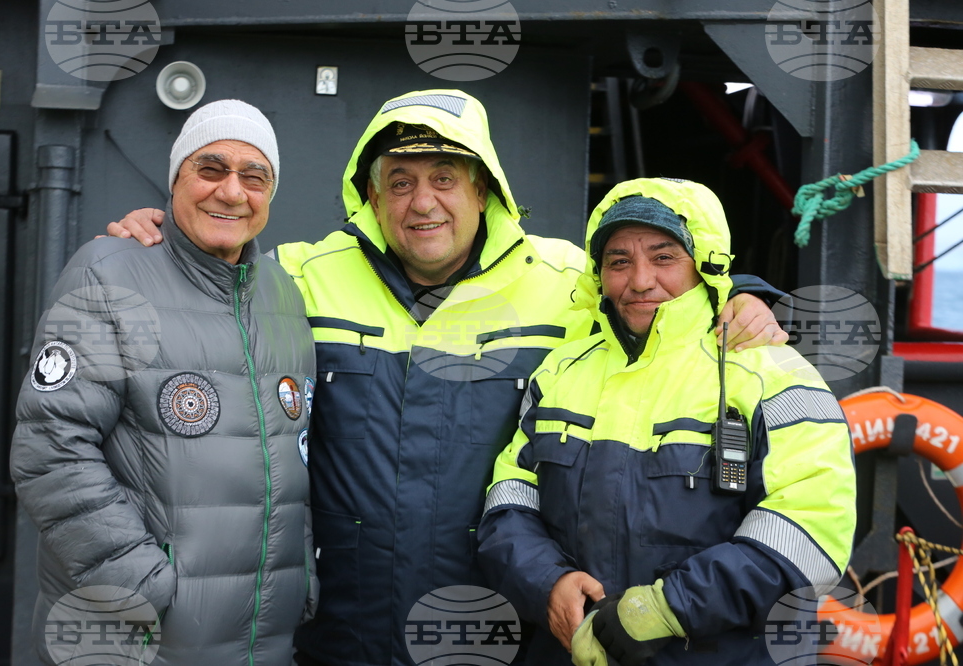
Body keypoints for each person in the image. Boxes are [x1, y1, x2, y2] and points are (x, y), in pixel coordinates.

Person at [108, 90, 788, 666]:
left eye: (444, 178)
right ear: (371, 197)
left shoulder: (560, 285)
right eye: (399, 181)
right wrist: (157, 245)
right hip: (342, 633)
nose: (421, 202)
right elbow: (210, 283)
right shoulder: (302, 279)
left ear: (483, 189)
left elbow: (656, 289)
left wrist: (748, 294)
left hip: (505, 634)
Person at [477, 177, 856, 665]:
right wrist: (548, 582)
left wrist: (664, 609)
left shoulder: (773, 374)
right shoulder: (559, 371)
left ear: (704, 263)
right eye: (619, 261)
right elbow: (509, 499)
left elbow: (812, 529)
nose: (639, 280)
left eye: (664, 257)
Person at [11, 100, 317, 666]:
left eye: (255, 177)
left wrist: (303, 577)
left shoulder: (283, 294)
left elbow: (291, 454)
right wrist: (139, 585)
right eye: (211, 169)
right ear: (175, 178)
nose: (231, 192)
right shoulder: (106, 274)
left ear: (270, 195)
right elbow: (49, 448)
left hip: (261, 641)